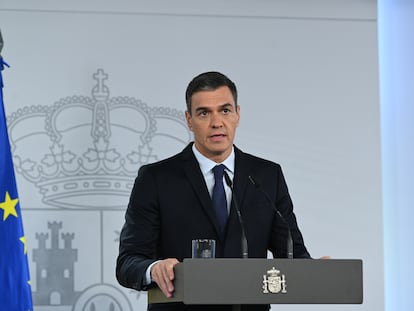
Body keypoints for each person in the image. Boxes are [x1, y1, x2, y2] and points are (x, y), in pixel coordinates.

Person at [116, 71, 310, 311]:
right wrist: (154, 269)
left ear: (238, 114)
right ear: (189, 120)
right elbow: (128, 262)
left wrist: (316, 272)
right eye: (204, 113)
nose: (217, 122)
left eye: (225, 110)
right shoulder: (156, 179)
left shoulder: (267, 176)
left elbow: (292, 254)